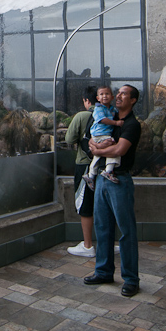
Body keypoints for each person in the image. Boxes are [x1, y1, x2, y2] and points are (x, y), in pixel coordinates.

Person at [83, 84, 143, 298]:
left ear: (133, 100)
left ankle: (131, 279)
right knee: (102, 227)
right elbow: (88, 138)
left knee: (126, 231)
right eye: (118, 92)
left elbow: (119, 149)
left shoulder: (131, 124)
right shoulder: (107, 114)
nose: (118, 95)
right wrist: (92, 142)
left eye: (123, 94)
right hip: (100, 178)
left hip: (119, 179)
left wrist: (98, 149)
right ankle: (104, 271)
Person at [65, 86, 99, 257]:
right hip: (104, 167)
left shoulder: (82, 116)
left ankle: (87, 246)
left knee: (85, 205)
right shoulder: (108, 115)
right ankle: (108, 242)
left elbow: (69, 139)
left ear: (86, 100)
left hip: (85, 166)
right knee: (104, 205)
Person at [81, 86, 122, 189]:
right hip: (100, 134)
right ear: (97, 98)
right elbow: (102, 119)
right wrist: (116, 123)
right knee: (113, 148)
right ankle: (108, 170)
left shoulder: (111, 109)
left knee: (97, 155)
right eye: (102, 94)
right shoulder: (98, 108)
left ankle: (91, 175)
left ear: (112, 97)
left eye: (107, 94)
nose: (104, 96)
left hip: (102, 134)